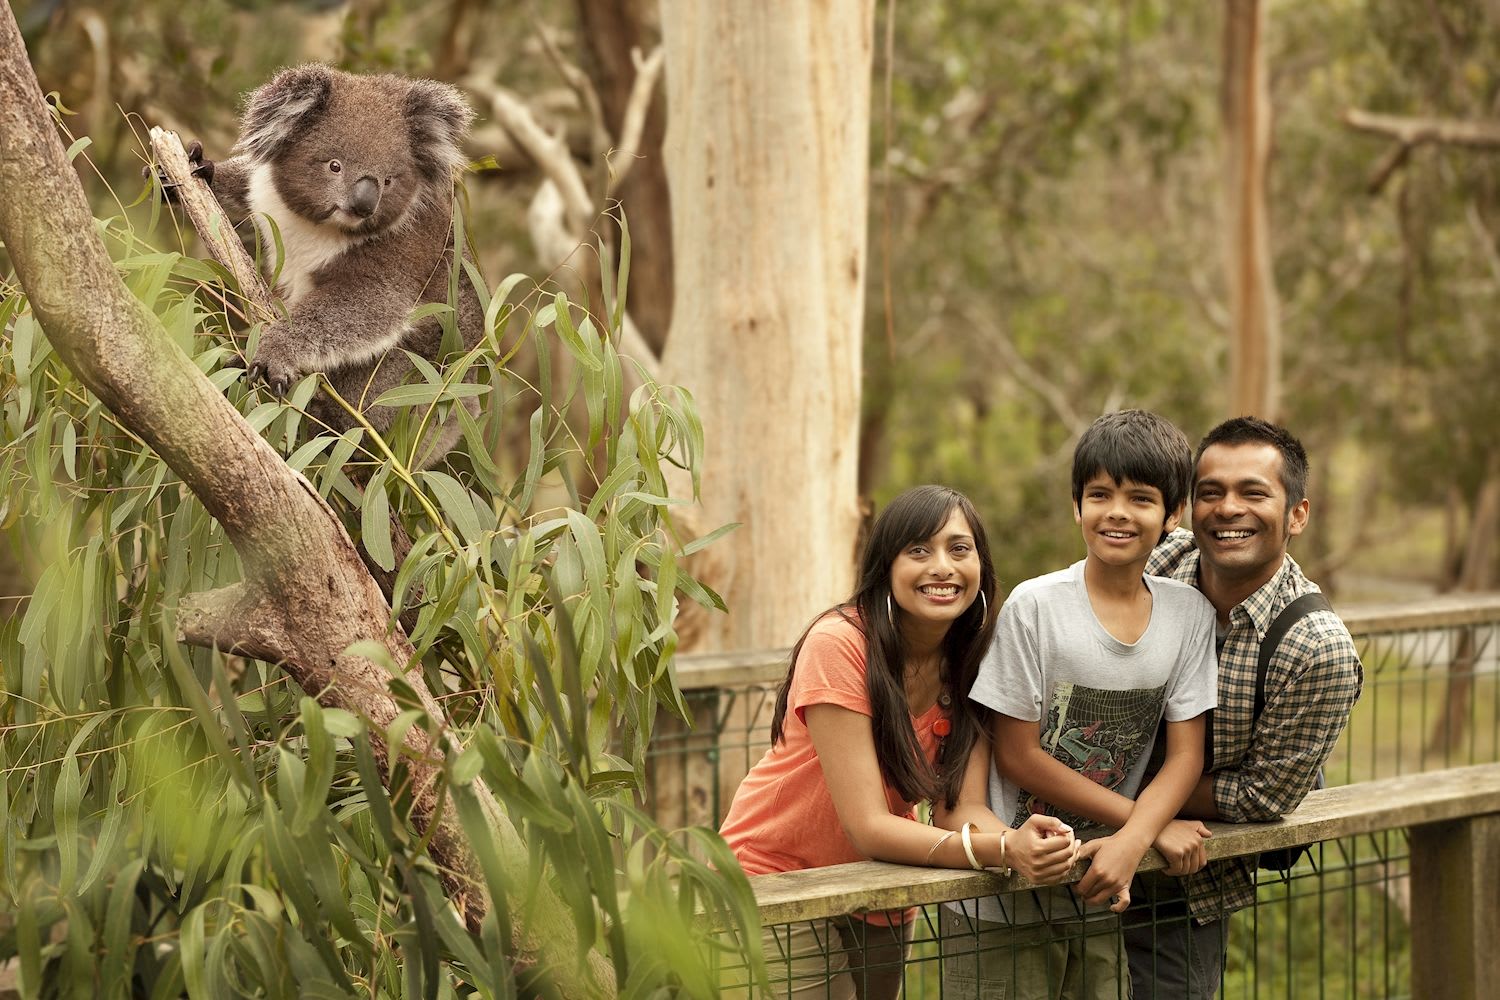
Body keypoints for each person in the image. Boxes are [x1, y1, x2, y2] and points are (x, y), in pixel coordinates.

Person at [719, 485, 1081, 1000]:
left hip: (880, 879)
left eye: (959, 549)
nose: (942, 567)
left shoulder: (973, 661)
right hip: (774, 877)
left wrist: (1027, 845)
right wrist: (1002, 849)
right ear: (885, 566)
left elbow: (960, 809)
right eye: (918, 550)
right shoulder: (840, 642)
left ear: (981, 566)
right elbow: (867, 825)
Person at [941, 409, 1219, 1000]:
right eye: (1099, 494)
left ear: (1173, 516)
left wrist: (1129, 843)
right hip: (1002, 896)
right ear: (1077, 506)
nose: (1117, 511)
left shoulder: (1189, 615)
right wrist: (1147, 829)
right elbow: (1016, 755)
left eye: (1140, 498)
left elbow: (1185, 755)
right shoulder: (1035, 606)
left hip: (1099, 885)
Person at [1123, 416, 1365, 1000]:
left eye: (1253, 492)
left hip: (1184, 884)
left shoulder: (1317, 649)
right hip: (1078, 839)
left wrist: (1133, 794)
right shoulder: (1161, 560)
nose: (1228, 508)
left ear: (1297, 514)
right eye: (1211, 492)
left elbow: (1263, 797)